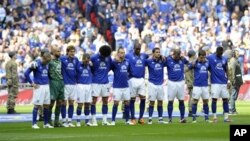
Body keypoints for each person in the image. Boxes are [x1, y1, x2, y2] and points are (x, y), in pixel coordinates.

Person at [24, 51, 54, 129]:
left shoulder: (47, 64)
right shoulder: (36, 64)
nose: (49, 60)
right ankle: (34, 124)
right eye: (48, 59)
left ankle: (46, 123)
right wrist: (32, 83)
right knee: (37, 105)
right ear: (44, 58)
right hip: (39, 87)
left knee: (47, 105)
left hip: (46, 86)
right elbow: (26, 73)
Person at [125, 42, 148, 124]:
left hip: (141, 79)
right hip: (132, 79)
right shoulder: (128, 56)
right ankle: (133, 117)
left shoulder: (144, 56)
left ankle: (141, 117)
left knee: (143, 98)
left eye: (139, 49)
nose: (138, 50)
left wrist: (161, 56)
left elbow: (152, 56)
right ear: (134, 48)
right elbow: (121, 58)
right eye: (137, 49)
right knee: (132, 99)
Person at [110, 47, 133, 125]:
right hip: (117, 86)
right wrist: (114, 59)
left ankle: (127, 120)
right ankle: (113, 120)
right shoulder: (114, 62)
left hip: (126, 86)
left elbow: (129, 71)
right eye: (120, 52)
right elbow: (109, 67)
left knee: (127, 103)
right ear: (118, 53)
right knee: (116, 103)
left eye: (123, 52)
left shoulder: (127, 62)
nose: (122, 54)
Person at [207, 46, 231, 122]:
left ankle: (226, 118)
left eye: (221, 53)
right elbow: (205, 62)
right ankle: (214, 117)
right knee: (214, 100)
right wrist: (211, 71)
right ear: (216, 52)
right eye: (219, 53)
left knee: (225, 100)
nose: (220, 54)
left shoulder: (224, 59)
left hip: (223, 82)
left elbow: (226, 69)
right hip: (215, 83)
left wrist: (229, 80)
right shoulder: (210, 57)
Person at [165, 48, 189, 123]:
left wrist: (184, 58)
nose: (178, 57)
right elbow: (161, 63)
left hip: (180, 82)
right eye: (177, 55)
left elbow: (189, 64)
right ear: (173, 54)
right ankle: (169, 118)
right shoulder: (168, 59)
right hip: (171, 82)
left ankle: (182, 118)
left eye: (179, 55)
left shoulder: (182, 59)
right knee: (170, 101)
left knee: (181, 100)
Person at [90, 45, 112, 126]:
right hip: (95, 82)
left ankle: (104, 120)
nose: (105, 56)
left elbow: (109, 67)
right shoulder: (93, 58)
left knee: (105, 101)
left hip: (105, 82)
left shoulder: (108, 57)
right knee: (93, 101)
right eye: (104, 55)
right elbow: (90, 69)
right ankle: (94, 120)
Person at [189, 50, 212, 123]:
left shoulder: (207, 63)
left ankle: (207, 118)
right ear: (199, 56)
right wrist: (194, 62)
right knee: (195, 101)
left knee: (206, 101)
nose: (203, 59)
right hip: (197, 85)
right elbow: (188, 68)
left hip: (205, 85)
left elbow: (211, 70)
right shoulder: (195, 63)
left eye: (204, 57)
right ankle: (194, 119)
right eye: (201, 57)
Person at [146, 48, 168, 124]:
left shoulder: (162, 61)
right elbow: (143, 62)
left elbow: (169, 60)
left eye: (159, 52)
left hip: (160, 84)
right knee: (151, 102)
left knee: (160, 102)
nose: (158, 53)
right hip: (152, 83)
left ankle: (160, 119)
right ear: (153, 53)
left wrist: (163, 56)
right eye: (157, 52)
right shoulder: (149, 61)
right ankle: (150, 119)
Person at [60, 45, 79, 127]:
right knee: (64, 103)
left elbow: (78, 69)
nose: (72, 53)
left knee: (71, 103)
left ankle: (70, 121)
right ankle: (64, 121)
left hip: (73, 84)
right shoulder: (62, 59)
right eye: (71, 51)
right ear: (67, 52)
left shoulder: (76, 59)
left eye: (73, 51)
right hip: (65, 84)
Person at [48, 46, 65, 127]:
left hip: (61, 82)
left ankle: (56, 121)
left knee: (60, 102)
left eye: (59, 51)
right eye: (58, 51)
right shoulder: (50, 62)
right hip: (53, 82)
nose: (59, 53)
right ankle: (48, 120)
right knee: (51, 103)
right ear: (53, 52)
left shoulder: (60, 61)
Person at [75, 53, 93, 127]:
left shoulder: (90, 65)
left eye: (88, 60)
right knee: (80, 104)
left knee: (87, 104)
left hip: (88, 85)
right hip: (80, 85)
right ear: (82, 59)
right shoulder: (78, 65)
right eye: (85, 60)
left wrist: (91, 64)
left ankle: (87, 121)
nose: (87, 61)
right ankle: (78, 121)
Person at [227, 49, 243, 115]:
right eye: (237, 53)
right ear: (233, 54)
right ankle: (232, 110)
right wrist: (232, 80)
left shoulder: (236, 61)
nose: (238, 54)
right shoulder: (233, 61)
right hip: (235, 81)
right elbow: (232, 72)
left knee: (234, 96)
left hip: (237, 80)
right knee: (233, 95)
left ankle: (230, 109)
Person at [185, 50, 196, 117]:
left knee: (193, 97)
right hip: (191, 82)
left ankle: (192, 111)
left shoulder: (190, 62)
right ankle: (191, 111)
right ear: (193, 55)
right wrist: (189, 83)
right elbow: (187, 73)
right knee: (192, 97)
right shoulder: (189, 62)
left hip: (192, 81)